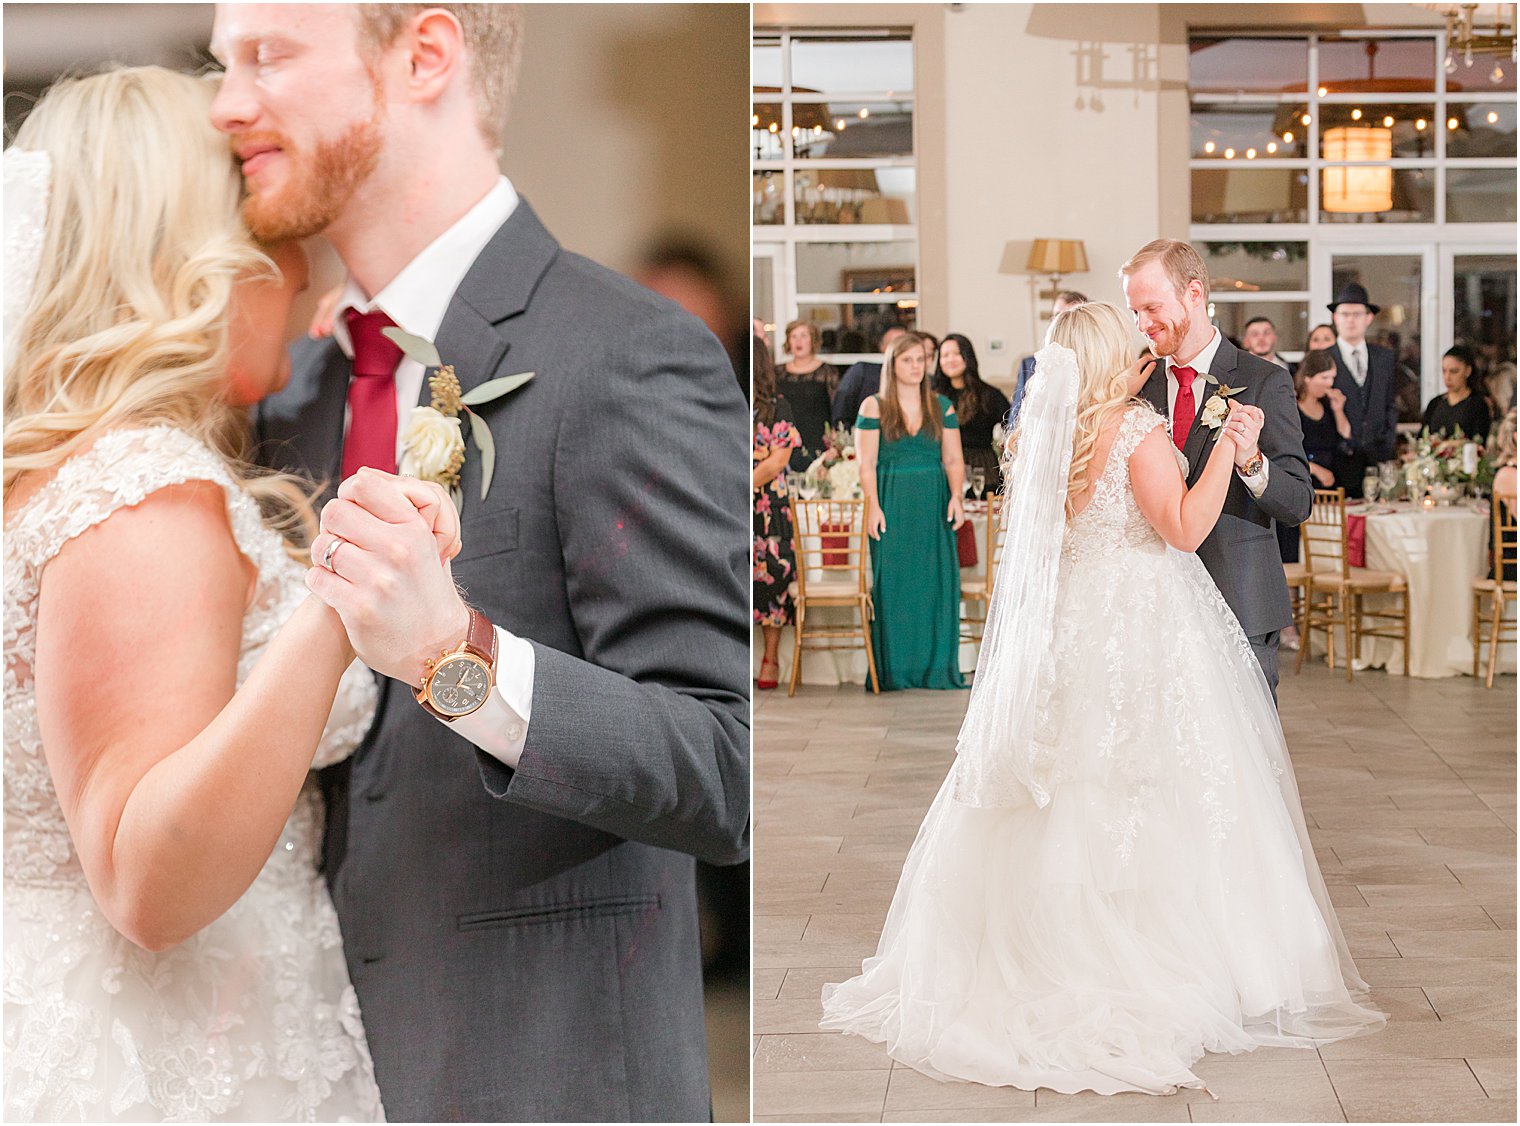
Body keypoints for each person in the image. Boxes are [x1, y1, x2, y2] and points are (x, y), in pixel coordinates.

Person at [211, 5, 750, 1120]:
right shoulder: (292, 399)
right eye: (222, 65)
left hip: (535, 1080)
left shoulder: (625, 351)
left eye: (266, 56)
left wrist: (458, 658)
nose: (226, 104)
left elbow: (724, 765)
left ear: (424, 55)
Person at [0, 65, 444, 1121]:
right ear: (198, 258)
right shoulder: (144, 492)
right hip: (162, 1052)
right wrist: (345, 599)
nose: (304, 267)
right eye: (272, 226)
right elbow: (147, 886)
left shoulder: (55, 467)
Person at [820, 301, 1384, 1096]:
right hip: (1145, 627)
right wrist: (1224, 448)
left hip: (1069, 630)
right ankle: (1159, 957)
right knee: (1160, 784)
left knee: (1069, 788)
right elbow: (1186, 529)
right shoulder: (1134, 432)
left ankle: (1033, 943)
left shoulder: (1040, 439)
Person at [1124, 239, 1313, 696]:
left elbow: (1298, 502)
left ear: (1194, 293)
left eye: (1151, 307)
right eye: (1134, 312)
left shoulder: (1264, 380)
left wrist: (1251, 461)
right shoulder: (1136, 385)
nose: (1143, 324)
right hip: (1155, 609)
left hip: (1240, 603)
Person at [856, 332, 967, 691]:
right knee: (895, 585)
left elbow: (953, 458)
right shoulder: (873, 406)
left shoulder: (942, 405)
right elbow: (866, 464)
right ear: (893, 364)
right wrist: (873, 506)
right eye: (908, 360)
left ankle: (936, 668)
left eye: (921, 360)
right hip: (892, 501)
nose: (916, 367)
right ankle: (895, 670)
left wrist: (956, 497)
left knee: (936, 585)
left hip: (933, 503)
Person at [753, 335, 801, 691]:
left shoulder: (779, 406)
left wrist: (741, 482)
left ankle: (771, 658)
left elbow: (779, 459)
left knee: (772, 579)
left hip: (768, 505)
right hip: (737, 499)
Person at [1278, 349, 1357, 563]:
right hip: (1304, 483)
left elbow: (1346, 439)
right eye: (1324, 378)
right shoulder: (1291, 407)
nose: (1329, 384)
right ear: (1308, 378)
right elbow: (1283, 451)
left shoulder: (1328, 407)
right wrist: (1315, 469)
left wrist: (1339, 410)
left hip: (1329, 486)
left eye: (1332, 378)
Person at [1327, 283, 1399, 498]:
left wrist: (1388, 444)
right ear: (1335, 318)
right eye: (1345, 314)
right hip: (1338, 461)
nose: (1350, 320)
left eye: (1357, 314)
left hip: (1378, 458)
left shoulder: (1385, 357)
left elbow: (1391, 404)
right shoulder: (1324, 357)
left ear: (1368, 318)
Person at [933, 334, 1010, 494]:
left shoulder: (989, 395)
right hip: (942, 471)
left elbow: (1013, 427)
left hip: (982, 472)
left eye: (956, 353)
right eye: (945, 355)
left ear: (968, 356)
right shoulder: (932, 397)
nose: (950, 359)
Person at [1010, 289, 1087, 426]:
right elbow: (1014, 421)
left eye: (1068, 316)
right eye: (1056, 315)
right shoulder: (1029, 365)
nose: (1059, 322)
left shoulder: (1093, 364)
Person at [777, 318, 841, 470]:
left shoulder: (827, 372)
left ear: (813, 340)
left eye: (804, 336)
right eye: (794, 336)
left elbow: (837, 407)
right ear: (788, 342)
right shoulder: (777, 372)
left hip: (817, 438)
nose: (799, 341)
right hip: (785, 441)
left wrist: (835, 440)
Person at [832, 324, 906, 425]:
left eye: (904, 344)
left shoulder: (917, 376)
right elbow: (841, 411)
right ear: (882, 347)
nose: (899, 348)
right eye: (893, 343)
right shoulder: (862, 372)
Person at [1423, 345, 1493, 441]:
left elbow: (1479, 440)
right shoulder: (1435, 404)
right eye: (1444, 371)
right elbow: (1422, 437)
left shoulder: (1478, 405)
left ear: (1468, 371)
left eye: (1454, 371)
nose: (1447, 377)